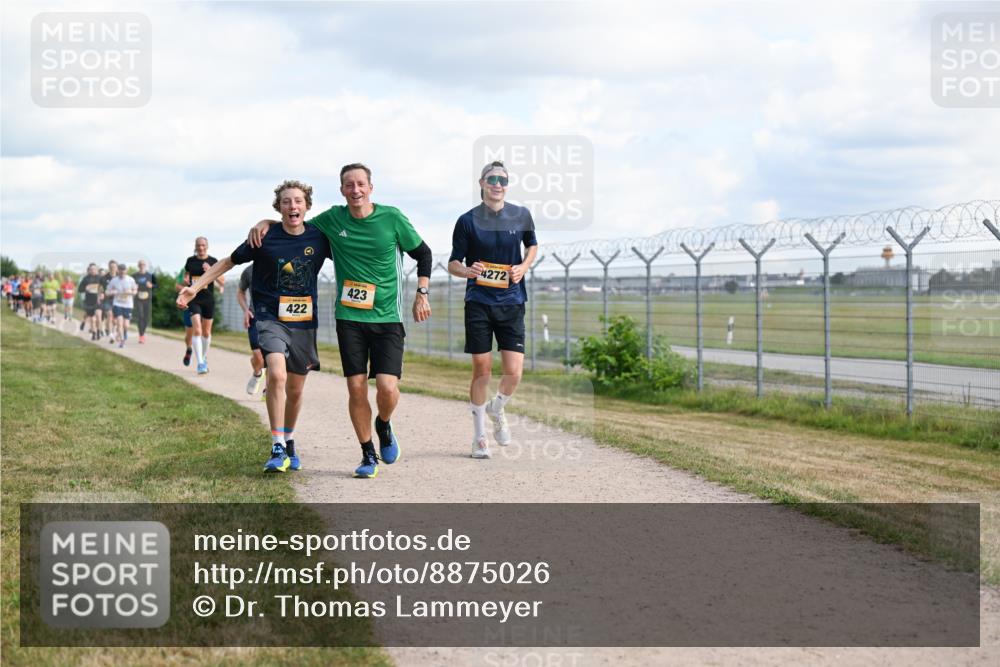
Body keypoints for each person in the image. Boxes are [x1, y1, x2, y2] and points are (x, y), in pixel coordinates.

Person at [250, 163, 432, 479]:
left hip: (387, 316)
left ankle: (384, 424)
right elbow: (296, 223)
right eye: (349, 185)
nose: (355, 190)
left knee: (387, 388)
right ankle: (367, 454)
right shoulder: (332, 220)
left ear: (370, 187)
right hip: (349, 317)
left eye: (361, 184)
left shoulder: (392, 218)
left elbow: (424, 254)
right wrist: (266, 221)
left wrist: (422, 292)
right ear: (342, 190)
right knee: (357, 387)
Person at [181, 179, 331, 473]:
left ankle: (288, 441)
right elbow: (228, 262)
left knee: (297, 390)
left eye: (298, 201)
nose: (293, 206)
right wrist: (196, 287)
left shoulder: (319, 237)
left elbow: (353, 253)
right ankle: (276, 446)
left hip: (303, 322)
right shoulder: (264, 237)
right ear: (279, 207)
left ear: (307, 206)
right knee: (276, 374)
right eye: (286, 202)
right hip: (269, 316)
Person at [448, 160, 538, 459]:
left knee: (514, 372)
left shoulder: (521, 214)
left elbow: (532, 246)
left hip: (512, 302)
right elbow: (453, 264)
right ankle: (479, 438)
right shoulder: (467, 220)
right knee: (482, 370)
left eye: (502, 179)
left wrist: (523, 267)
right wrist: (468, 271)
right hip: (479, 304)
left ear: (506, 185)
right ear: (482, 184)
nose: (497, 184)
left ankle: (497, 408)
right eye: (492, 179)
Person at [183, 237, 224, 374]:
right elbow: (187, 277)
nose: (201, 248)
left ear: (207, 246)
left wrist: (211, 270)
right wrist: (186, 280)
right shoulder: (190, 261)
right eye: (198, 245)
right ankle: (200, 363)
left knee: (206, 332)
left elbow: (222, 281)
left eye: (203, 245)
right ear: (195, 246)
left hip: (208, 299)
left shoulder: (213, 261)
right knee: (198, 330)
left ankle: (204, 356)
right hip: (193, 298)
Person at [237, 264, 266, 395]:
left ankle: (270, 389)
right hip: (255, 316)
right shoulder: (248, 271)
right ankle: (257, 373)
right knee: (258, 356)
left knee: (274, 355)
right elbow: (240, 292)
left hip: (276, 318)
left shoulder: (281, 264)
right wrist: (245, 310)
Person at [106, 262, 137, 348]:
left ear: (126, 271)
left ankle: (124, 332)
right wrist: (112, 292)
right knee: (119, 323)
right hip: (117, 304)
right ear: (118, 271)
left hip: (128, 305)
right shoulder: (114, 280)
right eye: (120, 271)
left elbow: (135, 291)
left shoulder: (131, 280)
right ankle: (122, 342)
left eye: (124, 271)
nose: (122, 273)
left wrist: (130, 292)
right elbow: (107, 292)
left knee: (126, 325)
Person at [130, 260, 156, 344]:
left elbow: (157, 285)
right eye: (140, 264)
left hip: (147, 298)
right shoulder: (134, 276)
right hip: (138, 298)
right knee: (140, 316)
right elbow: (129, 285)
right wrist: (133, 288)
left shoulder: (150, 275)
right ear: (138, 265)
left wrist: (151, 285)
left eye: (143, 264)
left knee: (146, 318)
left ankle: (143, 333)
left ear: (146, 266)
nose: (142, 266)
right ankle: (141, 335)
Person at [77, 263, 103, 340]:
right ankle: (94, 333)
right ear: (89, 270)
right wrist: (86, 288)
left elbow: (106, 287)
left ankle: (99, 331)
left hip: (98, 300)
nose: (93, 271)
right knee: (92, 319)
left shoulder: (100, 278)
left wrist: (103, 294)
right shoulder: (86, 279)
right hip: (89, 301)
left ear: (97, 270)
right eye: (91, 269)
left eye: (94, 269)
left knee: (98, 316)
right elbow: (79, 289)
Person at [174, 268, 194, 364]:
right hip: (188, 304)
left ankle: (202, 357)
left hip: (202, 304)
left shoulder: (206, 268)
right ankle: (189, 349)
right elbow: (177, 286)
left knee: (201, 331)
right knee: (189, 334)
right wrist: (187, 287)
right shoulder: (185, 269)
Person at [100, 261, 117, 340]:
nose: (112, 268)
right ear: (108, 267)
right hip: (107, 300)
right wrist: (101, 293)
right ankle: (110, 334)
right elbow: (100, 288)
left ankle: (112, 331)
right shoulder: (104, 278)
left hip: (118, 300)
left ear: (116, 268)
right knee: (109, 315)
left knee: (115, 320)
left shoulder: (119, 277)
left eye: (114, 267)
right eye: (111, 267)